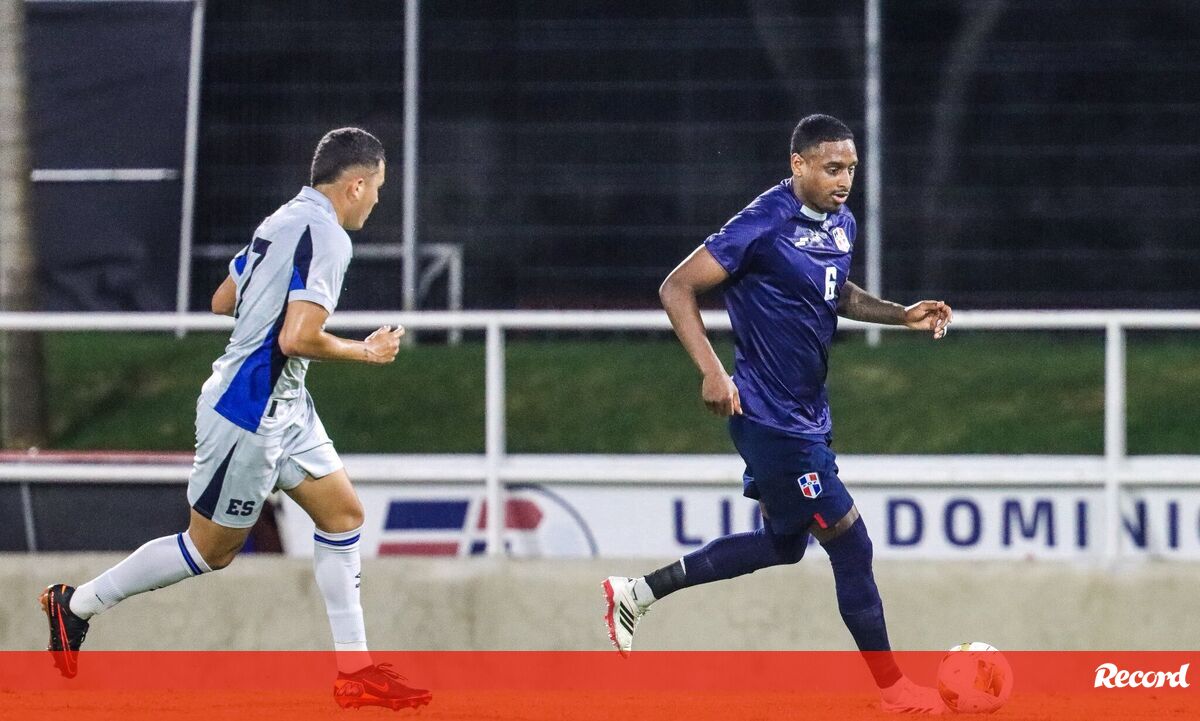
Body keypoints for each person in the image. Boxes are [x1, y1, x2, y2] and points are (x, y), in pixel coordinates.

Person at [41, 127, 431, 711]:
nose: (377, 199)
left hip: (286, 404)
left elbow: (222, 300)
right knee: (210, 551)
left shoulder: (282, 219)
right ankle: (76, 605)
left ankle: (356, 672)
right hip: (248, 411)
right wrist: (365, 351)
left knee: (344, 514)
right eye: (377, 187)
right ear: (355, 185)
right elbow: (296, 338)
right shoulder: (329, 237)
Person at [602, 114, 953, 714]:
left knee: (783, 545)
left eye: (851, 169)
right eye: (832, 168)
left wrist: (900, 314)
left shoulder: (841, 222)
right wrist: (713, 371)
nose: (844, 181)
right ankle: (895, 691)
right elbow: (676, 287)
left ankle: (638, 592)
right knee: (852, 545)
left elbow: (836, 291)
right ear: (798, 164)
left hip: (806, 415)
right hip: (770, 419)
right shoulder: (763, 222)